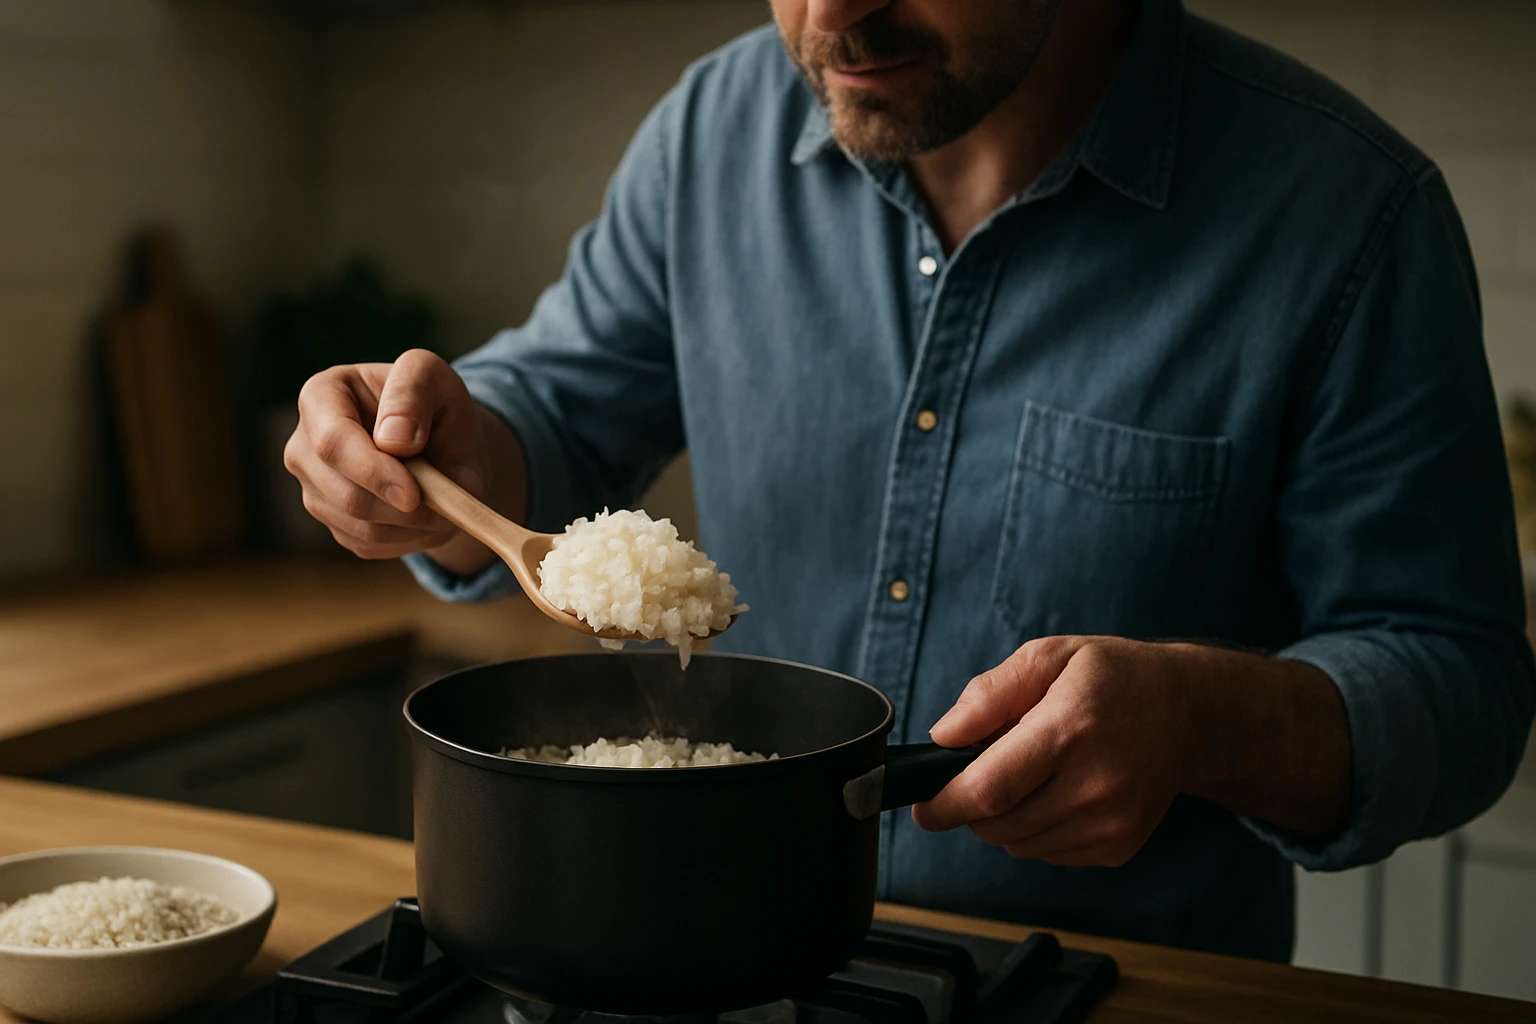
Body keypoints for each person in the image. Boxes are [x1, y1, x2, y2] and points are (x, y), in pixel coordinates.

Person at [284, 0, 1536, 961]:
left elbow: (1462, 679)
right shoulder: (711, 133)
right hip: (722, 954)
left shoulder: (1348, 212)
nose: (833, 15)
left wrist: (1208, 719)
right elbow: (551, 409)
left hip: (1112, 983)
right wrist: (451, 454)